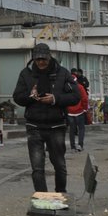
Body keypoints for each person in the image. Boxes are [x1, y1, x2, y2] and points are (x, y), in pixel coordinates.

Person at [12, 42, 80, 194]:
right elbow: (17, 97)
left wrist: (55, 98)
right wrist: (30, 97)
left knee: (59, 165)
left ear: (49, 58)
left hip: (56, 126)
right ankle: (42, 199)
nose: (41, 62)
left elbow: (76, 96)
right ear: (34, 59)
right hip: (34, 126)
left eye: (44, 59)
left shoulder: (62, 73)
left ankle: (61, 194)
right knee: (37, 167)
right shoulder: (26, 74)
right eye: (38, 59)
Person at [65, 67, 91, 151]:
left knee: (72, 130)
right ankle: (80, 145)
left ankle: (72, 146)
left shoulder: (66, 87)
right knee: (81, 129)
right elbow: (84, 98)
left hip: (69, 112)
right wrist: (85, 108)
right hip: (79, 111)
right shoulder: (80, 87)